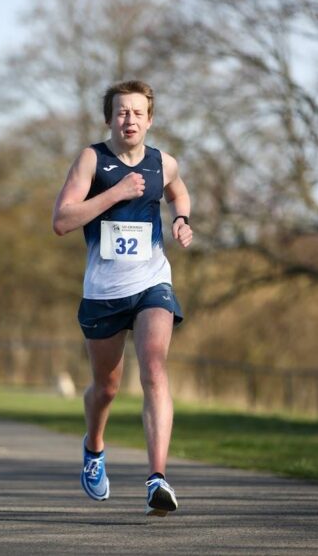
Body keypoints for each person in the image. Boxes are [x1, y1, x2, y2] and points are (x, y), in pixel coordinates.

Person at [53, 80, 193, 517]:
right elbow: (61, 220)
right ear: (109, 118)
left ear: (149, 119)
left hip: (152, 282)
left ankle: (157, 477)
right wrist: (115, 192)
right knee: (107, 388)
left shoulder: (163, 163)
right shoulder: (92, 160)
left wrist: (182, 219)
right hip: (104, 292)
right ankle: (94, 447)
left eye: (137, 112)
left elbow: (178, 191)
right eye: (121, 112)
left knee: (153, 367)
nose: (129, 119)